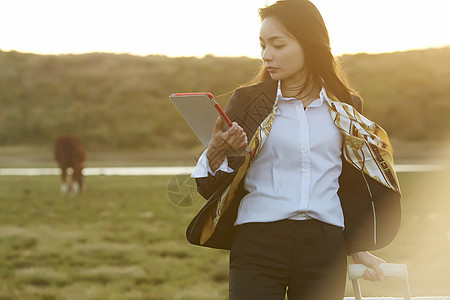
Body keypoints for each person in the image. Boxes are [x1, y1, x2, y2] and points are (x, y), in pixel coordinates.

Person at [188, 0, 402, 299]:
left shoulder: (347, 106)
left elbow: (347, 183)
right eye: (262, 45)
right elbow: (211, 187)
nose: (266, 55)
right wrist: (215, 153)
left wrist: (358, 248)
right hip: (257, 242)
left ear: (308, 44)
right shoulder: (248, 102)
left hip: (325, 247)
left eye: (277, 45)